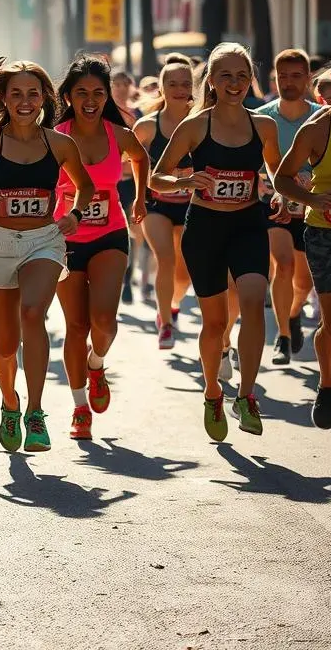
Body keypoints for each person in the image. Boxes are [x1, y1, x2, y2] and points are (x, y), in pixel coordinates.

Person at [0, 59, 93, 455]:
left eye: (33, 93)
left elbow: (83, 187)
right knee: (4, 344)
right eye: (16, 93)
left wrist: (74, 215)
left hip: (43, 241)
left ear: (44, 99)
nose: (25, 101)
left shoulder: (60, 144)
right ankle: (10, 403)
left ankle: (36, 411)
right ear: (4, 98)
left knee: (34, 313)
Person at [151, 42, 285, 442]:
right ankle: (212, 391)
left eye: (242, 75)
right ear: (210, 80)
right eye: (225, 75)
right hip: (205, 229)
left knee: (253, 304)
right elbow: (158, 178)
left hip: (247, 225)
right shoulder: (194, 126)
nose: (235, 83)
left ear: (251, 80)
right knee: (215, 322)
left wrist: (280, 194)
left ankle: (246, 395)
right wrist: (186, 180)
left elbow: (278, 173)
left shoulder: (264, 126)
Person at [54, 56, 149, 441]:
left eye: (98, 92)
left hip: (110, 233)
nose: (90, 100)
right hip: (64, 239)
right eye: (82, 93)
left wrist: (141, 198)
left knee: (104, 323)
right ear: (68, 96)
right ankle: (79, 407)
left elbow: (141, 156)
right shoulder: (55, 135)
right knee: (75, 327)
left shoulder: (117, 133)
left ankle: (97, 364)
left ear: (107, 95)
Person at [274, 35, 331, 442]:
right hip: (324, 233)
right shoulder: (319, 126)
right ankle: (327, 384)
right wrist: (314, 197)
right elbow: (282, 178)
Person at [256, 49, 318, 366]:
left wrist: (311, 180)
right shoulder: (262, 116)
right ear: (274, 78)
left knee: (304, 282)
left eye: (296, 76)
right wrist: (264, 183)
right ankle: (282, 337)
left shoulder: (322, 116)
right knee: (283, 265)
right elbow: (255, 162)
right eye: (283, 76)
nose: (288, 82)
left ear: (308, 79)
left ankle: (293, 315)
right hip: (273, 203)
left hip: (311, 208)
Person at [134, 55, 195, 348]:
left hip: (191, 206)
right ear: (162, 88)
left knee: (183, 275)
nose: (179, 89)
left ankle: (171, 307)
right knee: (165, 259)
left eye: (185, 83)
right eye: (172, 83)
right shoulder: (146, 127)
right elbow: (131, 165)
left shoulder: (202, 123)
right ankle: (166, 324)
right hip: (155, 205)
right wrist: (136, 199)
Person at [111, 70, 150, 303]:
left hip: (130, 181)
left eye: (125, 83)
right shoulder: (103, 113)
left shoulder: (138, 114)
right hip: (110, 181)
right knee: (116, 232)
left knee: (133, 233)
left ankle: (127, 280)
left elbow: (144, 147)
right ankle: (119, 280)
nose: (121, 87)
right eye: (116, 83)